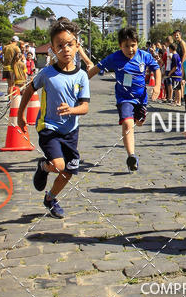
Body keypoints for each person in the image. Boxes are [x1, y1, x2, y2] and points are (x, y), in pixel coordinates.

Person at [18, 20, 90, 219]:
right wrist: (20, 114)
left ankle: (51, 198)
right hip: (48, 127)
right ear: (52, 49)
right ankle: (44, 166)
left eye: (69, 44)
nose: (65, 49)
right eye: (60, 46)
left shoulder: (82, 76)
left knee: (69, 171)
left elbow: (85, 107)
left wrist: (72, 110)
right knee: (59, 165)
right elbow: (29, 89)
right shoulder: (47, 74)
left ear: (77, 46)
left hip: (71, 131)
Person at [87, 27, 161, 172]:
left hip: (141, 99)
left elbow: (156, 69)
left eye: (133, 45)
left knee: (138, 123)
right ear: (120, 45)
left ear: (137, 44)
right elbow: (96, 69)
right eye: (126, 46)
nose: (130, 49)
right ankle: (131, 156)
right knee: (128, 124)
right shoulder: (115, 57)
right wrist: (79, 84)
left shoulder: (144, 56)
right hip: (124, 99)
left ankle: (138, 120)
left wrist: (157, 86)